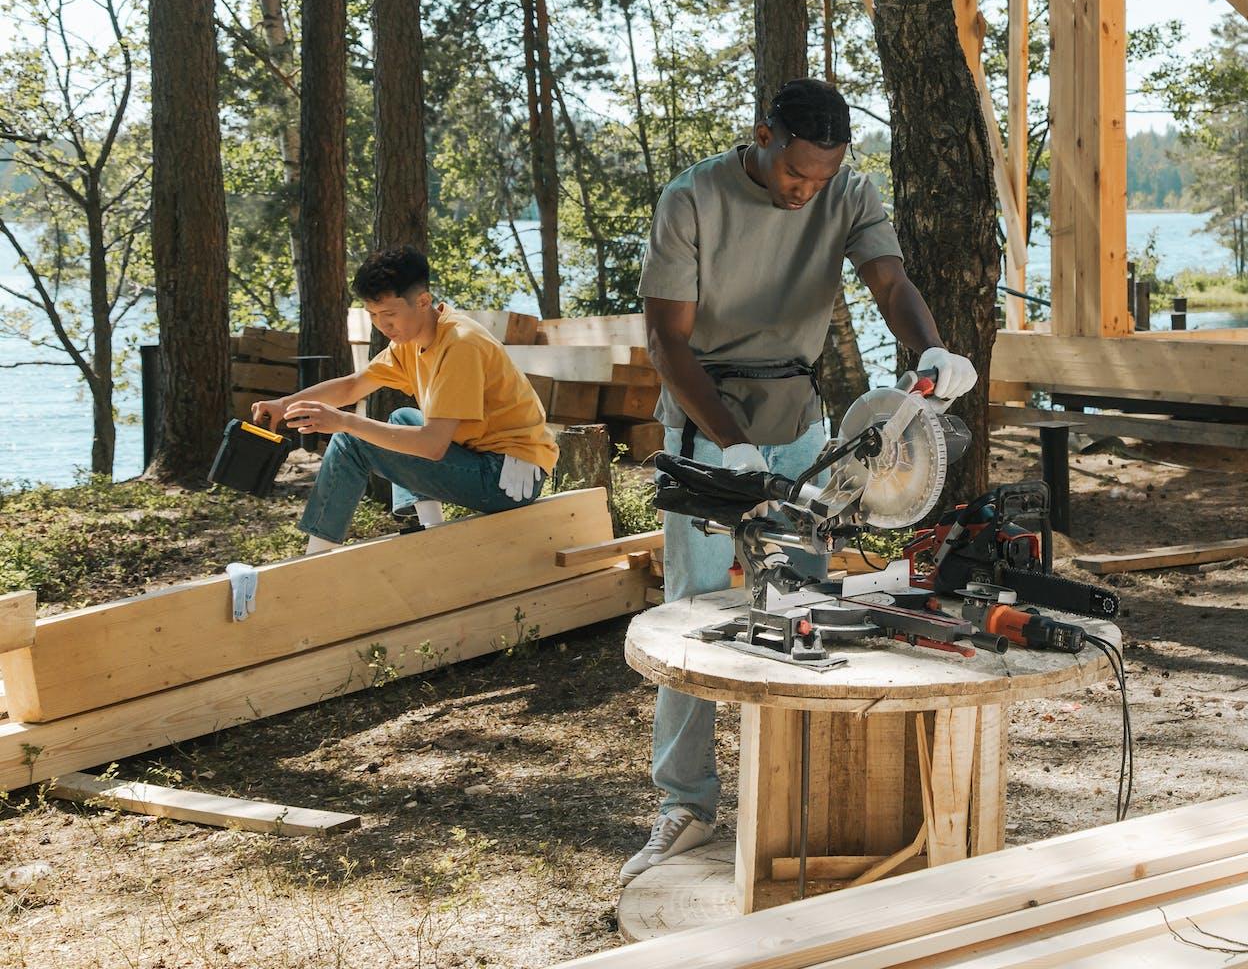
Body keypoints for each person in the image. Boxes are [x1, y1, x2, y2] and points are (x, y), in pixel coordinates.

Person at [620, 77, 977, 884]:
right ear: (764, 136)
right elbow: (667, 343)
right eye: (794, 174)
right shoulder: (692, 199)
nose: (805, 191)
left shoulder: (848, 193)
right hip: (709, 423)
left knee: (804, 610)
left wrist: (928, 347)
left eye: (822, 177)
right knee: (692, 611)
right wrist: (732, 446)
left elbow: (890, 282)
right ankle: (685, 803)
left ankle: (799, 794)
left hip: (801, 425)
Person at [252, 245, 558, 554]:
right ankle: (432, 531)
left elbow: (433, 445)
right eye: (372, 315)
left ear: (423, 301)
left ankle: (314, 559)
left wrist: (344, 421)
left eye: (389, 315)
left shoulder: (461, 346)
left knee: (350, 440)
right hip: (486, 460)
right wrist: (283, 405)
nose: (382, 326)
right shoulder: (410, 342)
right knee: (402, 418)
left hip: (507, 478)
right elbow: (353, 386)